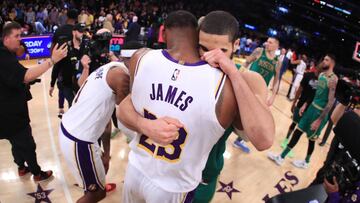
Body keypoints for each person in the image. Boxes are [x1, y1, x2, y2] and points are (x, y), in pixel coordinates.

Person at [117, 10, 274, 202]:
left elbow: (264, 139)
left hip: (199, 180)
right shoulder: (183, 65)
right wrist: (144, 125)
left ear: (236, 45)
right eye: (203, 48)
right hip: (156, 169)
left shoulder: (248, 79)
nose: (210, 57)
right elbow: (126, 106)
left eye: (221, 51)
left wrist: (231, 71)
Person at [0, 22, 67, 181]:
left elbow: (10, 78)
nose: (20, 40)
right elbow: (26, 75)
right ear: (6, 38)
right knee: (27, 144)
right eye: (16, 36)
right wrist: (52, 60)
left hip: (6, 112)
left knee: (15, 143)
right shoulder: (3, 56)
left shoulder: (6, 54)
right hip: (12, 114)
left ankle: (21, 167)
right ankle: (37, 173)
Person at [59, 59, 130, 202]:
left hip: (73, 130)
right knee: (96, 194)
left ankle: (97, 182)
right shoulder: (121, 77)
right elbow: (126, 118)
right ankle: (96, 187)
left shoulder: (109, 68)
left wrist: (107, 156)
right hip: (79, 140)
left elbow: (106, 124)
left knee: (96, 183)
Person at [268, 54, 338, 169]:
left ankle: (306, 162)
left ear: (332, 63)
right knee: (298, 131)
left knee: (311, 139)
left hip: (319, 114)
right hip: (311, 109)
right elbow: (316, 93)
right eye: (324, 59)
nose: (323, 61)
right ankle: (281, 157)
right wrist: (305, 104)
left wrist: (319, 120)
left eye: (326, 60)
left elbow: (330, 103)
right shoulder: (321, 75)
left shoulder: (333, 79)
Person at [232, 36, 281, 152]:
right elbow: (247, 62)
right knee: (236, 110)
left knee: (252, 117)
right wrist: (238, 76)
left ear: (276, 46)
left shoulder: (277, 61)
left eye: (270, 42)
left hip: (260, 93)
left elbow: (277, 79)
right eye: (267, 41)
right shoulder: (259, 51)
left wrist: (273, 96)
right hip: (247, 86)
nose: (267, 43)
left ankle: (239, 139)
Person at [280, 63, 324, 158]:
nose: (319, 71)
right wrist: (294, 102)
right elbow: (299, 89)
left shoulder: (322, 82)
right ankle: (286, 139)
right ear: (316, 68)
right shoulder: (308, 75)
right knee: (294, 123)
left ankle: (289, 147)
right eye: (319, 69)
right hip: (301, 104)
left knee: (299, 130)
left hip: (310, 109)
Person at [49, 9, 78, 109]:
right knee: (74, 96)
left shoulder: (59, 30)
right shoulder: (77, 31)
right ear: (76, 18)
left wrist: (53, 59)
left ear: (67, 17)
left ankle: (61, 107)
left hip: (61, 63)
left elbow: (52, 47)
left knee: (62, 84)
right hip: (75, 67)